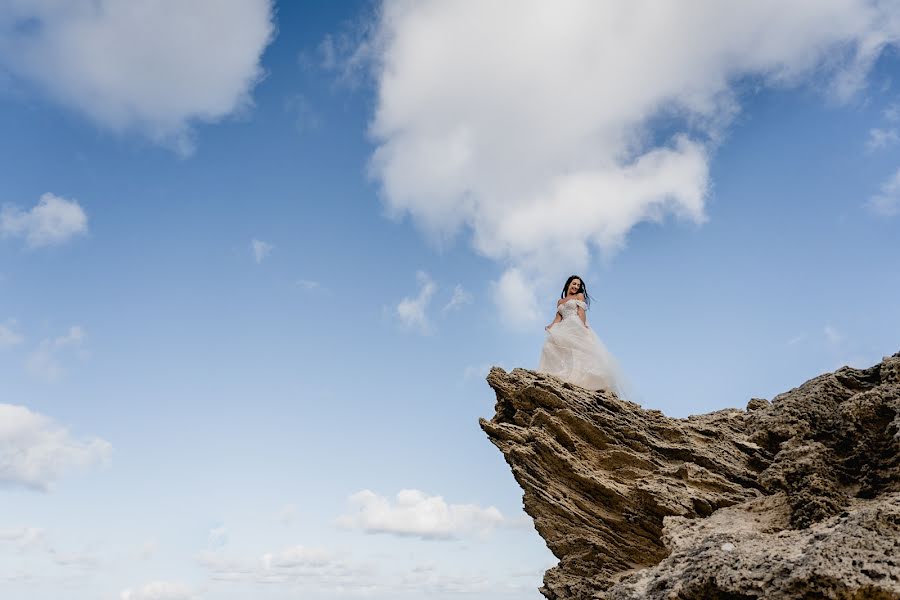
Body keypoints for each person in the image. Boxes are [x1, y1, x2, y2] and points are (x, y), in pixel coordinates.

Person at [539, 275, 621, 393]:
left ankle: (583, 379)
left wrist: (581, 326)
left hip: (574, 322)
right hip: (564, 325)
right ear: (568, 284)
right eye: (574, 284)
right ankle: (562, 374)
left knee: (579, 351)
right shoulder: (560, 301)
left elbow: (581, 312)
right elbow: (558, 318)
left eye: (578, 285)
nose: (576, 286)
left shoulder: (579, 296)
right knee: (551, 346)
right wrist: (551, 326)